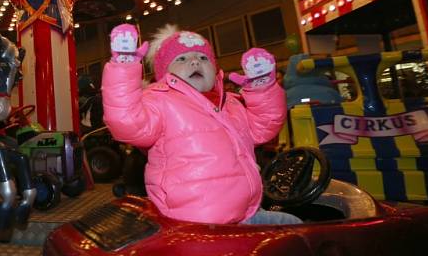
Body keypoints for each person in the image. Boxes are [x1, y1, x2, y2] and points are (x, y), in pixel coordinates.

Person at [103, 24, 297, 225]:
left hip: (246, 211)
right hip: (195, 220)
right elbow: (126, 122)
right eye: (182, 59)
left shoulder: (230, 102)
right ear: (164, 73)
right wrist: (124, 68)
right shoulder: (159, 100)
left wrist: (262, 88)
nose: (195, 61)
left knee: (296, 228)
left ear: (215, 69)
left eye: (203, 58)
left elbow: (264, 127)